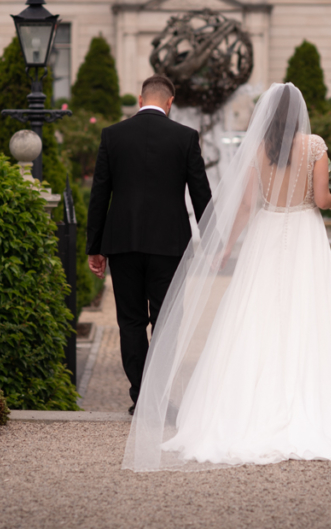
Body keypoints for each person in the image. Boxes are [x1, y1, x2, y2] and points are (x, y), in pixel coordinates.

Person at [123, 83, 331, 471]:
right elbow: (319, 199)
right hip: (303, 234)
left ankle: (244, 407)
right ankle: (319, 402)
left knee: (255, 314)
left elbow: (248, 205)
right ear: (298, 112)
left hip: (266, 233)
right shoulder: (315, 145)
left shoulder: (258, 149)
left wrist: (226, 246)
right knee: (311, 311)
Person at [86, 75, 212, 416]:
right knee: (166, 321)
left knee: (129, 322)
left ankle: (141, 397)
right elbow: (201, 194)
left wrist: (93, 247)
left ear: (140, 99)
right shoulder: (185, 137)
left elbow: (100, 194)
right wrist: (212, 242)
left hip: (122, 242)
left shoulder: (112, 135)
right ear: (170, 103)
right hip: (170, 245)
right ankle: (155, 398)